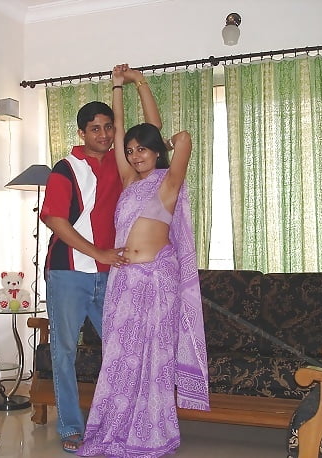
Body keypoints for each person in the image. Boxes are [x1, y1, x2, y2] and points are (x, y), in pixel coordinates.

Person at [77, 66, 210, 457]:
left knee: (153, 359)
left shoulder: (168, 182)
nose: (135, 155)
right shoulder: (130, 180)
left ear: (156, 152)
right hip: (125, 279)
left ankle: (151, 434)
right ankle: (113, 428)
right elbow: (119, 132)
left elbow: (184, 140)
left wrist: (141, 84)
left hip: (157, 279)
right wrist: (117, 86)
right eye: (131, 150)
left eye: (142, 149)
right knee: (119, 358)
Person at [39, 67, 162, 454]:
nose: (105, 134)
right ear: (82, 133)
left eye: (108, 127)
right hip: (68, 273)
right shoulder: (65, 169)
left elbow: (153, 132)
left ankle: (117, 422)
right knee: (64, 351)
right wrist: (99, 253)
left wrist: (131, 83)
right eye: (96, 129)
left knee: (121, 349)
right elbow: (55, 220)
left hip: (111, 276)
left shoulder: (121, 161)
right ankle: (71, 426)